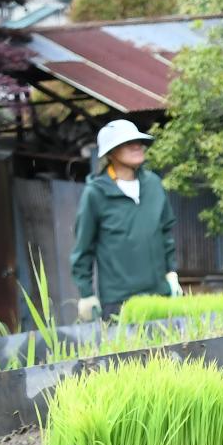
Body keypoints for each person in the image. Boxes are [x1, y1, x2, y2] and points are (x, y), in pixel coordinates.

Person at [70, 118, 178, 324]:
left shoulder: (154, 185)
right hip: (119, 302)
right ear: (111, 153)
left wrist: (171, 272)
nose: (137, 146)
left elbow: (166, 233)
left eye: (138, 141)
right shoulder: (96, 194)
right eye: (127, 143)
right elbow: (83, 249)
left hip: (159, 296)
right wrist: (86, 294)